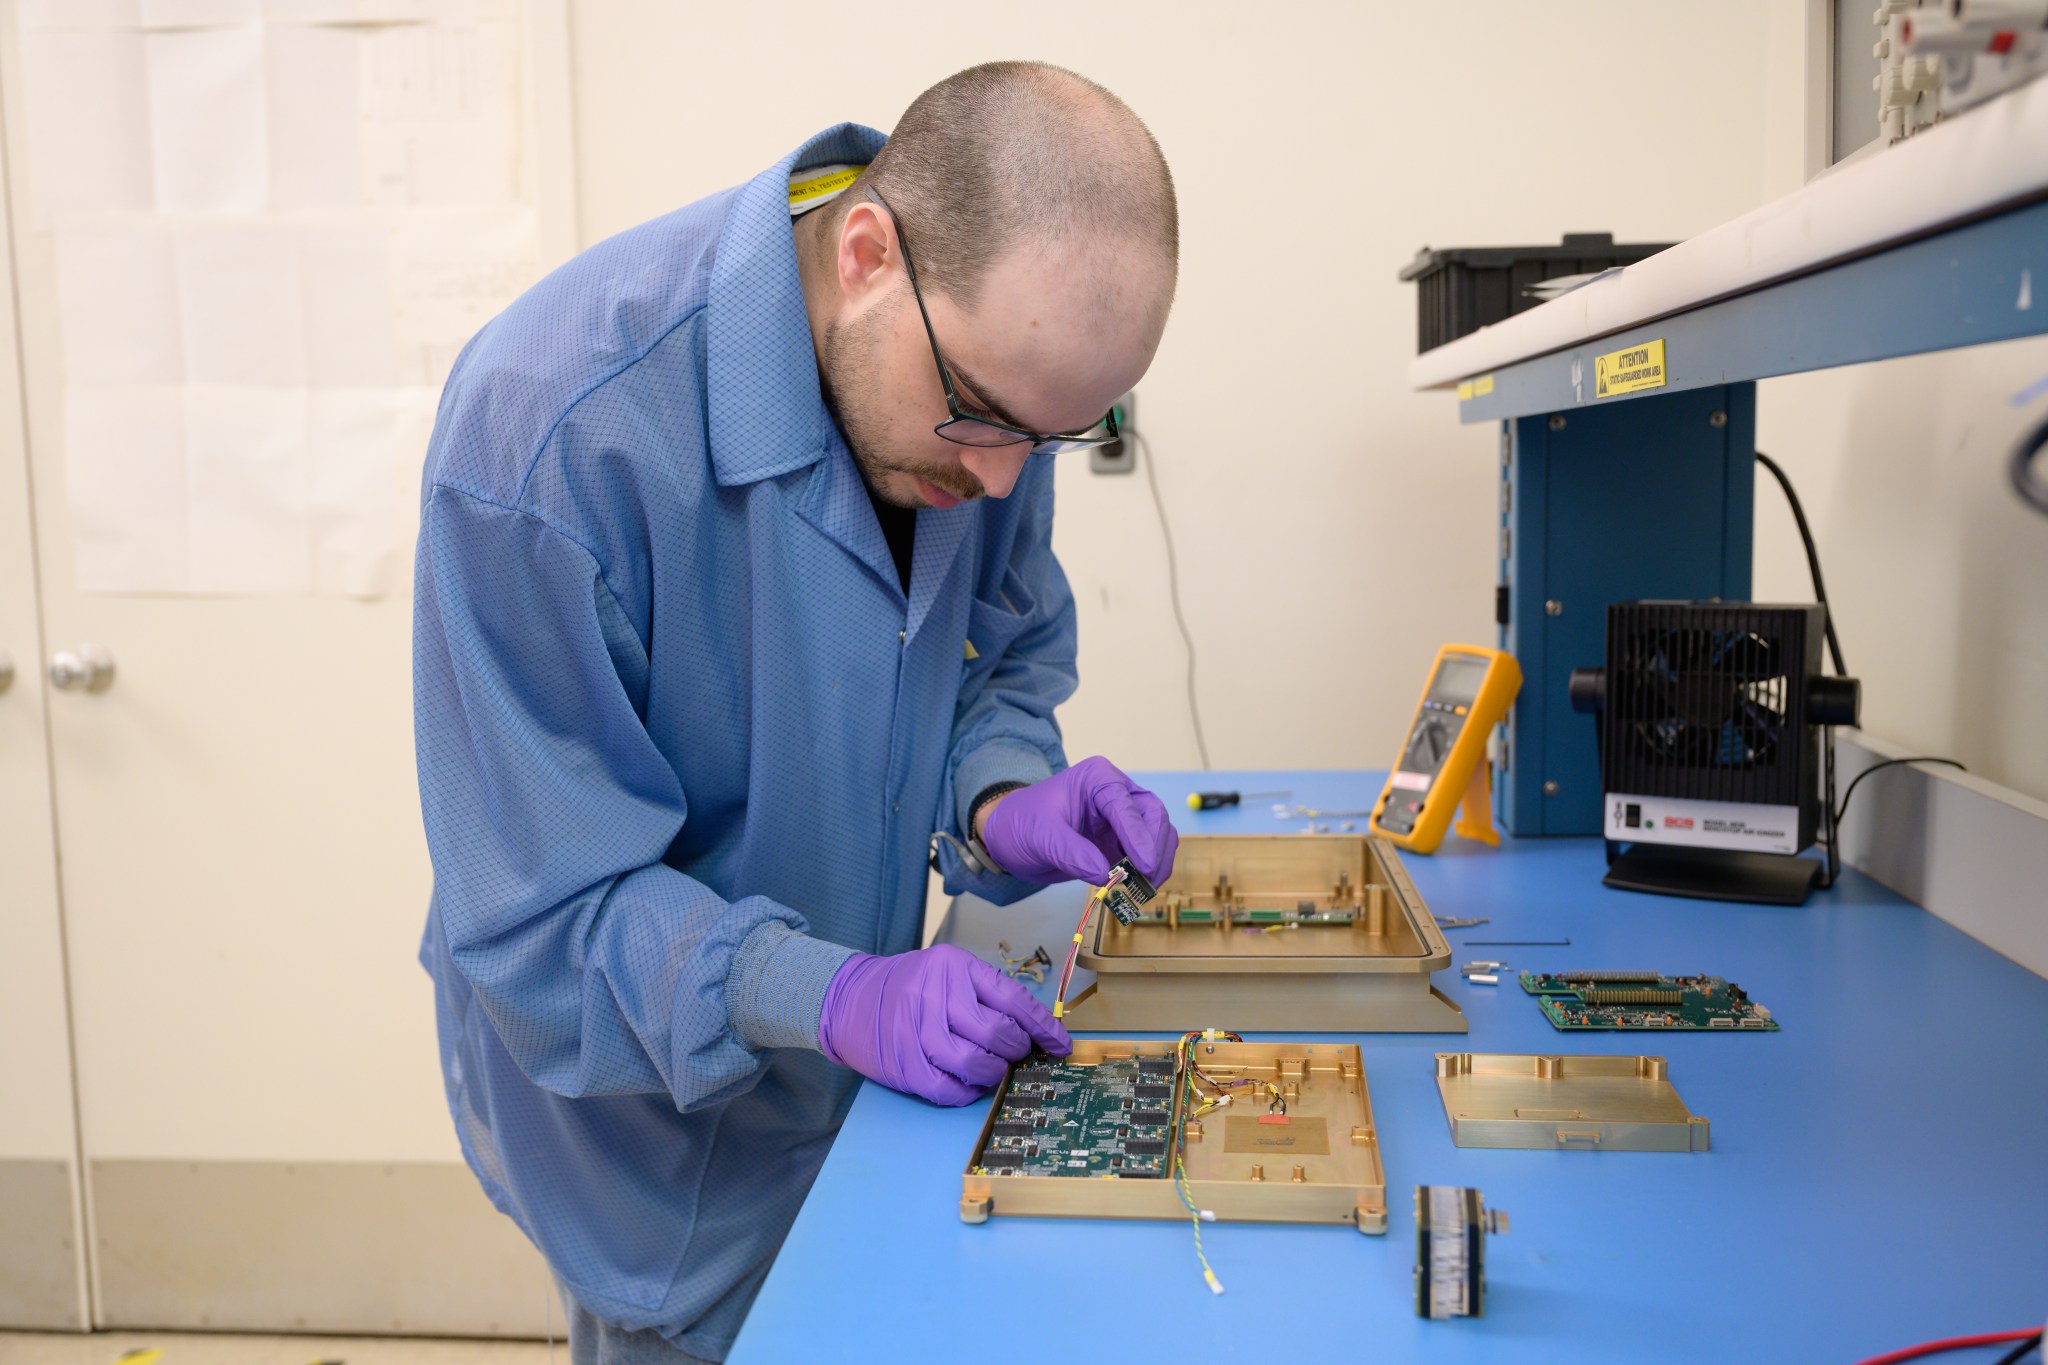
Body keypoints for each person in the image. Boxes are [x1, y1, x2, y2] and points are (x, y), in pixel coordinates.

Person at [412, 61, 1181, 1363]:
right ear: (868, 253)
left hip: (864, 1097)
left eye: (1046, 441)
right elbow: (548, 905)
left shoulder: (991, 391)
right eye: (983, 420)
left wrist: (1001, 792)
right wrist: (826, 992)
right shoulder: (548, 439)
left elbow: (988, 659)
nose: (999, 478)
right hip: (650, 1145)